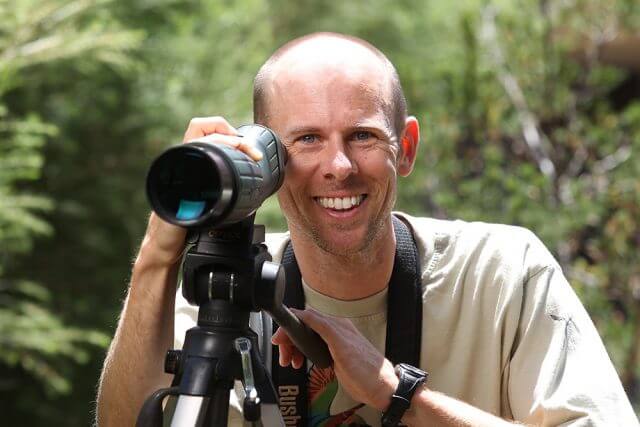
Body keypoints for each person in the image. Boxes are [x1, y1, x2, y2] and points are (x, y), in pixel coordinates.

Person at [96, 32, 638, 426]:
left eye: (361, 136)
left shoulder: (502, 274)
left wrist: (394, 391)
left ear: (405, 149)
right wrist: (159, 253)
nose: (338, 166)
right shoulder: (230, 292)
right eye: (306, 139)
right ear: (266, 160)